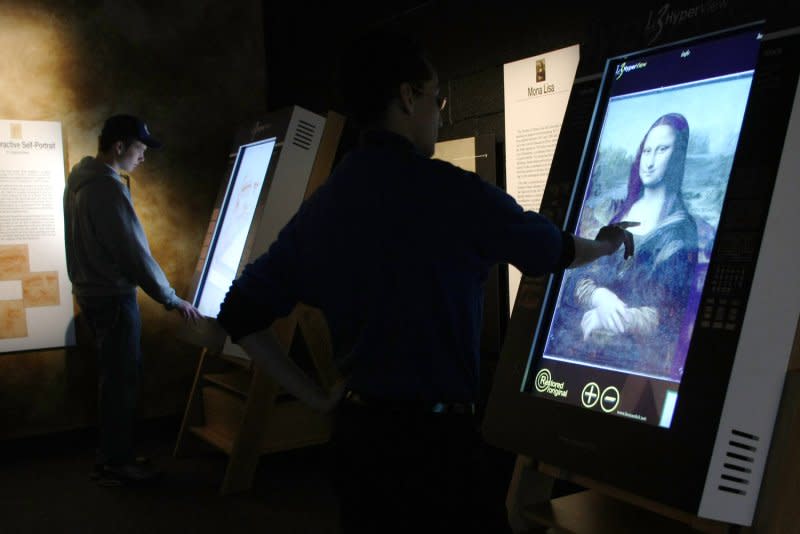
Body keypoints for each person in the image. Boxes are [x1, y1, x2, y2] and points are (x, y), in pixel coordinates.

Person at [216, 31, 633, 533]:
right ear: (407, 96)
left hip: (360, 444)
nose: (440, 112)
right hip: (439, 449)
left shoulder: (327, 205)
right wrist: (607, 246)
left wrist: (318, 398)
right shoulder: (452, 192)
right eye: (437, 98)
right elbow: (554, 250)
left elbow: (239, 313)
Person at [63, 114, 201, 484]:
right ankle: (116, 462)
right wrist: (172, 299)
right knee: (122, 378)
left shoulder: (79, 181)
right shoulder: (107, 188)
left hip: (91, 293)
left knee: (113, 377)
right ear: (120, 146)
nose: (143, 157)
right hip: (113, 297)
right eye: (140, 148)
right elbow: (134, 254)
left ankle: (113, 454)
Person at [552, 113, 698, 378]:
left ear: (678, 156)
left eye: (662, 150)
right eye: (647, 150)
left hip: (634, 364)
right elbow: (578, 275)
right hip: (581, 342)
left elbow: (667, 318)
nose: (650, 162)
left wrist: (612, 317)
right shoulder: (618, 214)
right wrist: (600, 298)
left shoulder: (680, 231)